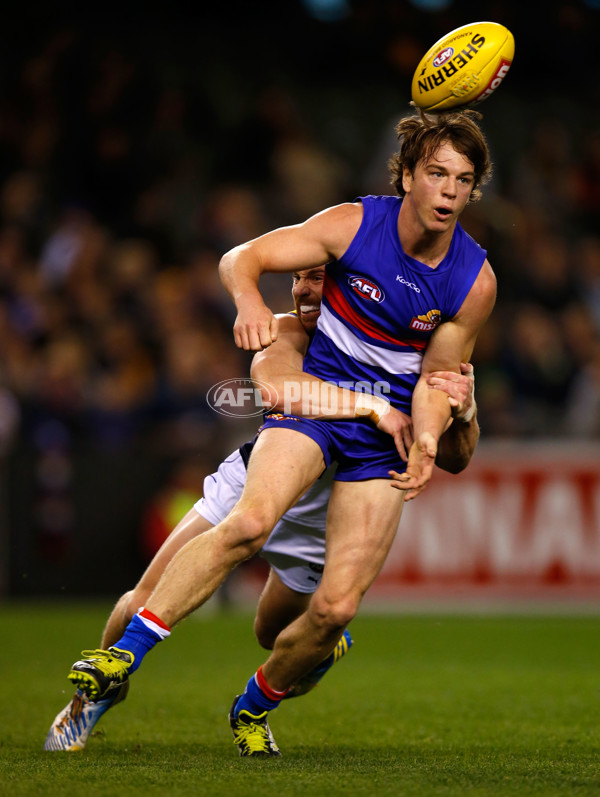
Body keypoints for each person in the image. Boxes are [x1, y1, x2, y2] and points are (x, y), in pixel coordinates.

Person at [62, 109, 495, 757]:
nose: (306, 291)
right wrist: (374, 406)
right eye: (436, 173)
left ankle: (259, 701)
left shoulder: (463, 289)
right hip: (281, 461)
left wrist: (448, 420)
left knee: (302, 626)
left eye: (461, 179)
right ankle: (96, 687)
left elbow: (451, 425)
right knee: (175, 574)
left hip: (331, 506)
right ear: (408, 176)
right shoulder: (293, 328)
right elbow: (280, 384)